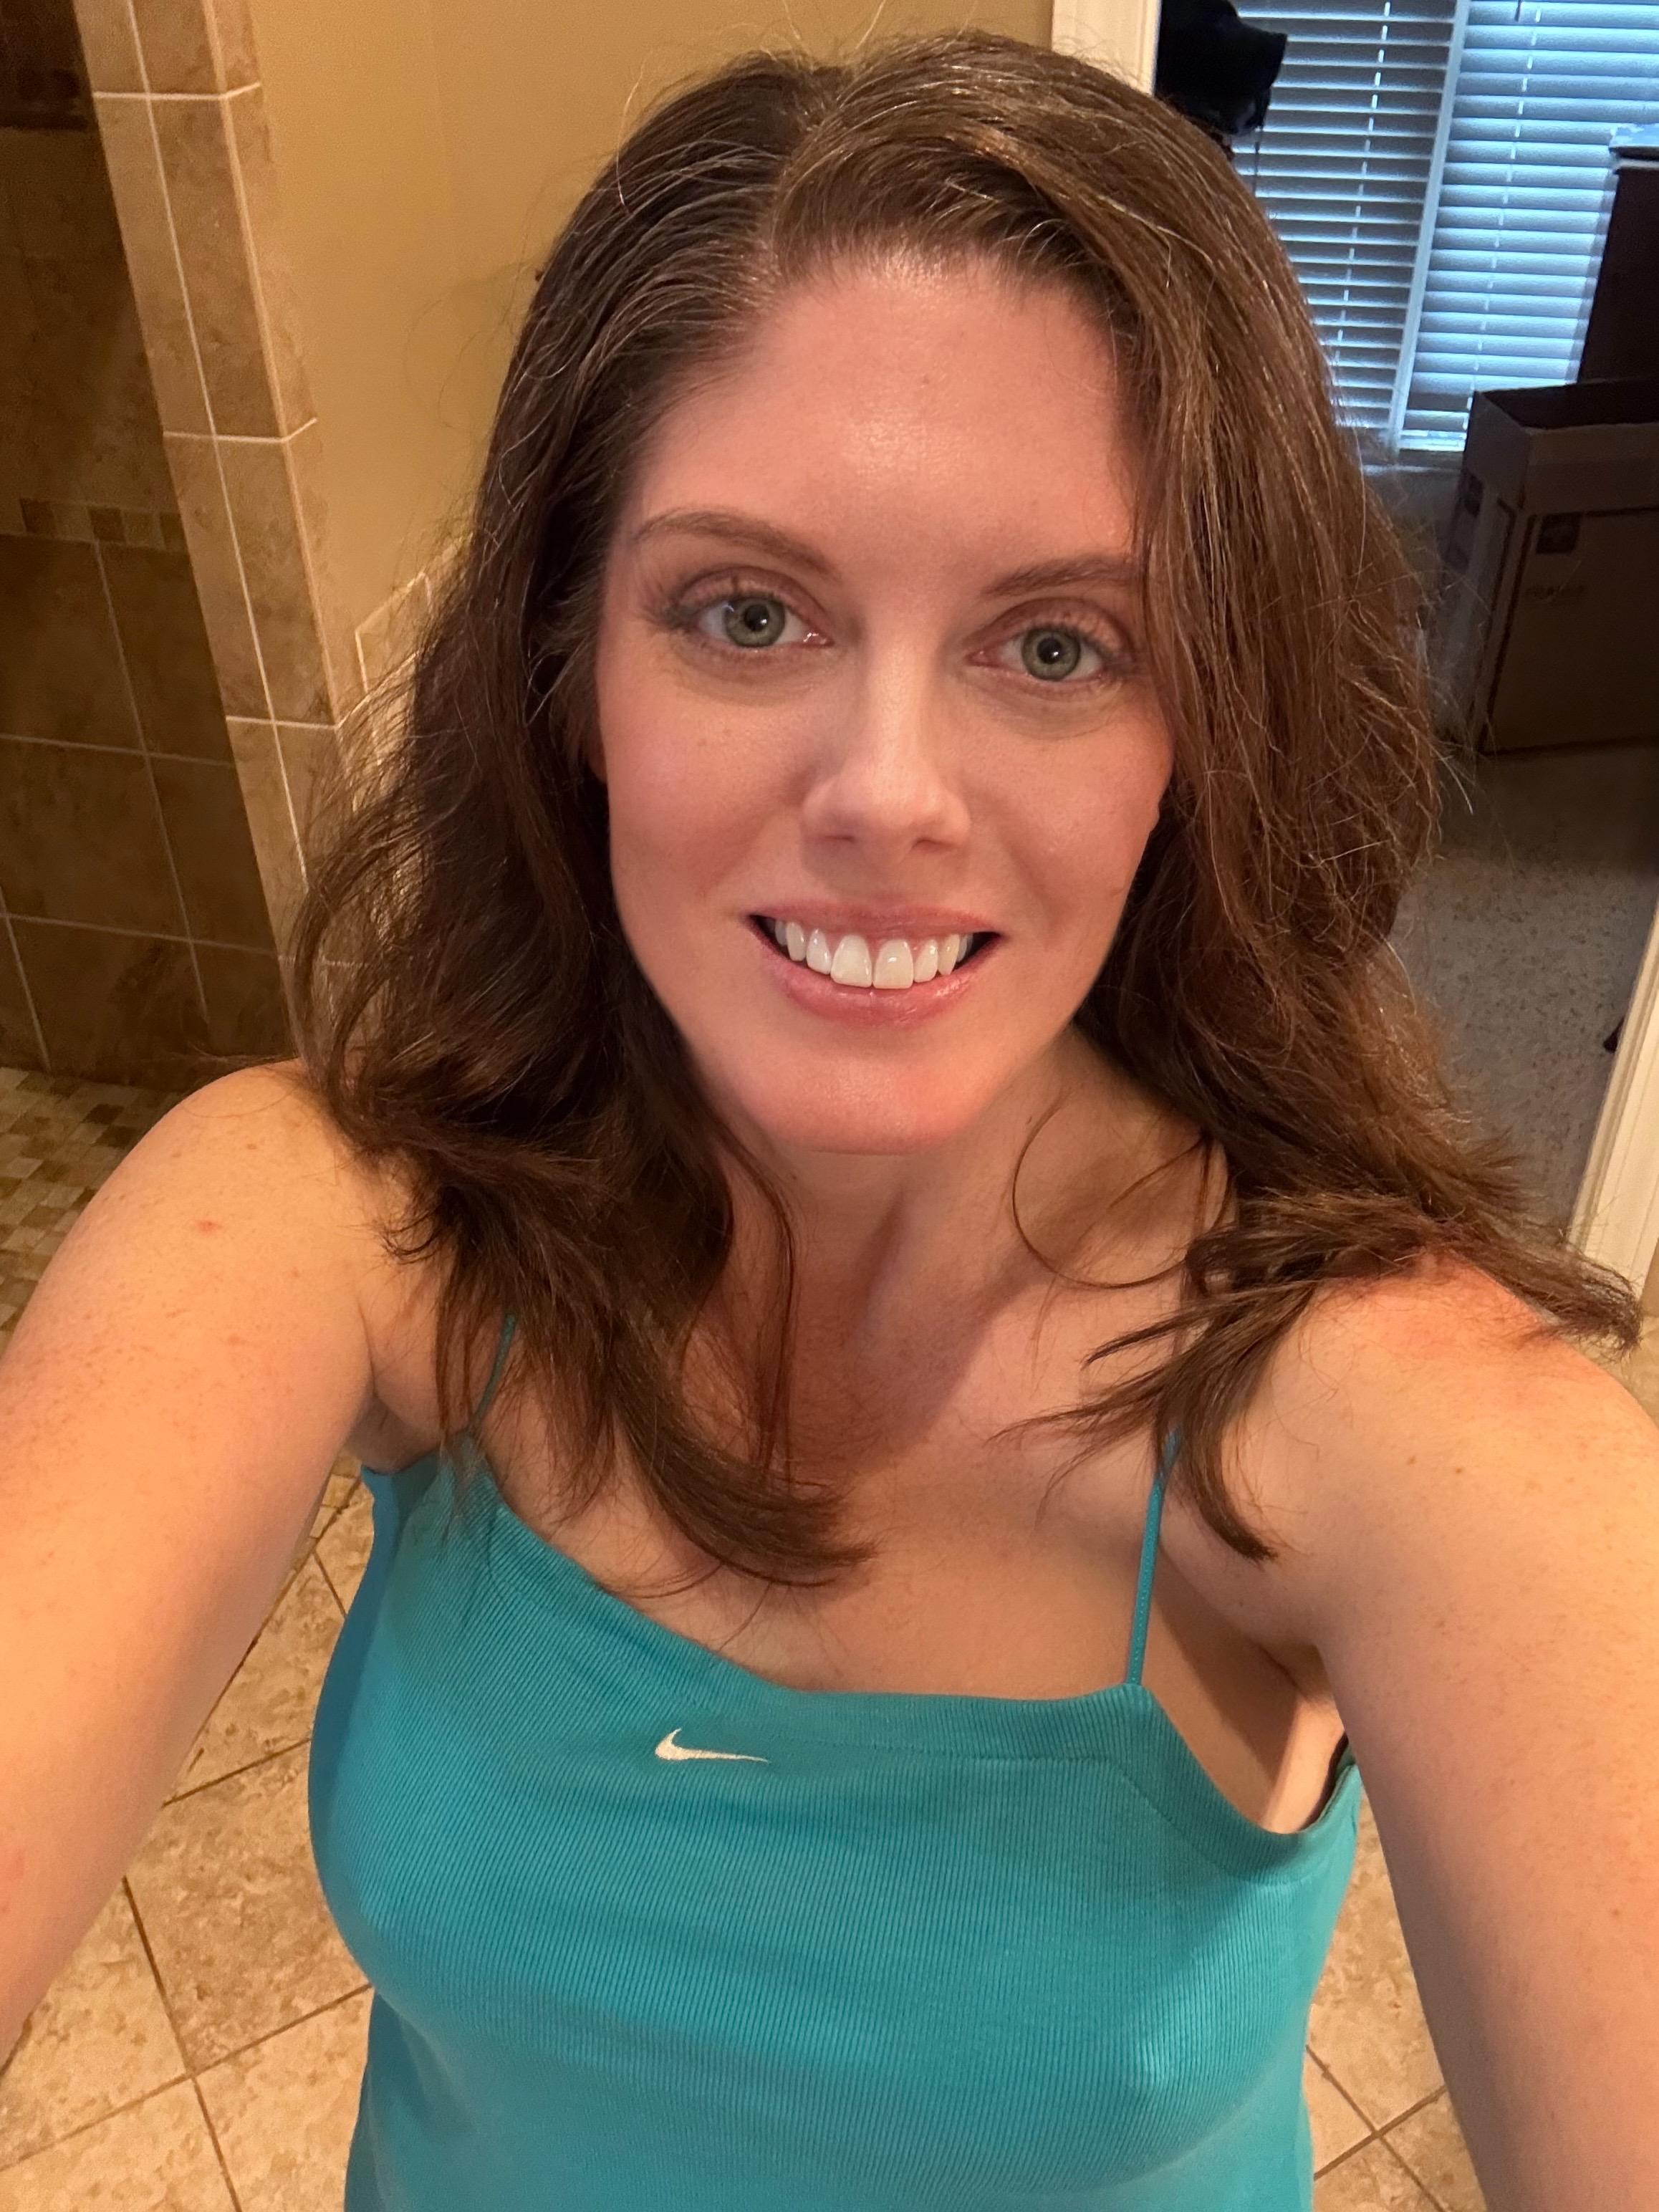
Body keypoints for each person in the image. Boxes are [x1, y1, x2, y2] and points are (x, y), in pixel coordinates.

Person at [3, 27, 1656, 2211]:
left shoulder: (1412, 1437)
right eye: (747, 612)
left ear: (1199, 736)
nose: (885, 793)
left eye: (1055, 647)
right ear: (570, 676)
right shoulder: (334, 1226)